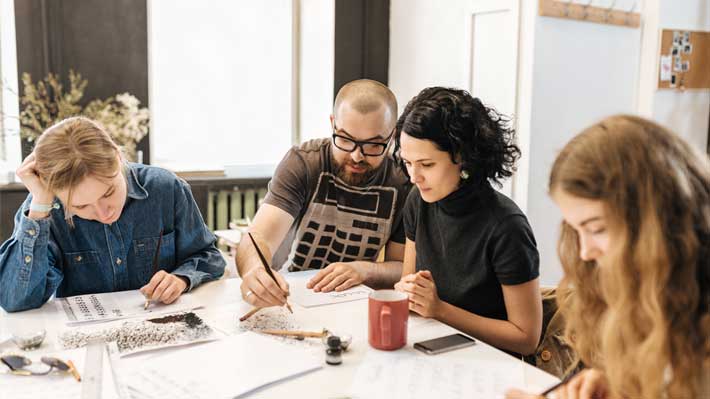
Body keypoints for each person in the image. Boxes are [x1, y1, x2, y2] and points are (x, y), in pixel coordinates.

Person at [506, 115, 709, 399]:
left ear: (655, 222)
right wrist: (615, 387)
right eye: (576, 231)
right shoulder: (650, 291)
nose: (586, 252)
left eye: (597, 229)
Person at [0, 116, 225, 312]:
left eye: (108, 192)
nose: (103, 213)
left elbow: (209, 256)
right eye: (80, 207)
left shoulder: (166, 188)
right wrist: (40, 206)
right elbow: (14, 300)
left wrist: (182, 278)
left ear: (117, 157)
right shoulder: (46, 207)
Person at [393, 87, 542, 356]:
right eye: (407, 162)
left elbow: (526, 338)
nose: (414, 176)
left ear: (462, 157)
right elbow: (410, 284)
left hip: (492, 363)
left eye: (426, 165)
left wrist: (440, 310)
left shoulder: (507, 226)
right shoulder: (418, 200)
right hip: (435, 348)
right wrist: (409, 293)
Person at [237, 79, 411, 308]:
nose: (357, 156)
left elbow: (402, 267)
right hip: (293, 296)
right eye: (346, 139)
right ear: (333, 123)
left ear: (393, 135)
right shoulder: (303, 163)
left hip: (355, 301)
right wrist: (255, 269)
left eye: (373, 145)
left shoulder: (404, 180)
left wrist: (363, 270)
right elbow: (258, 238)